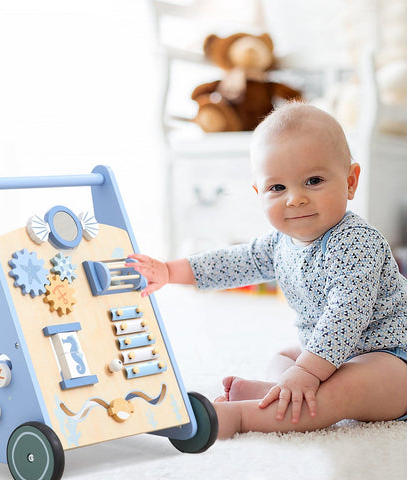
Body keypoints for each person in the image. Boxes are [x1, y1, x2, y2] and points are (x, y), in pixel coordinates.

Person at [129, 102, 407, 439]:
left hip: (391, 357)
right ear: (259, 192)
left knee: (335, 397)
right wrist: (170, 271)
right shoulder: (279, 243)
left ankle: (240, 417)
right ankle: (275, 391)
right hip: (329, 355)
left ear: (350, 181)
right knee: (283, 355)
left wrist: (307, 370)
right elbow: (232, 263)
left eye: (313, 180)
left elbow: (346, 314)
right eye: (278, 188)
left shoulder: (357, 243)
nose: (295, 199)